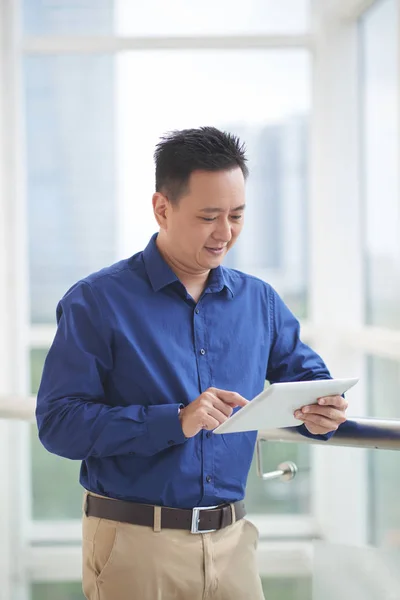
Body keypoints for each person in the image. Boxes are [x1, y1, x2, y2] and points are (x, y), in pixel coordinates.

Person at [36, 126, 347, 600]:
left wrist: (324, 411)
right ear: (162, 208)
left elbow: (308, 381)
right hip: (136, 547)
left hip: (233, 543)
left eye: (237, 215)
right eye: (208, 216)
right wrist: (174, 420)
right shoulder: (96, 302)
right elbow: (58, 423)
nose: (225, 233)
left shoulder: (259, 302)